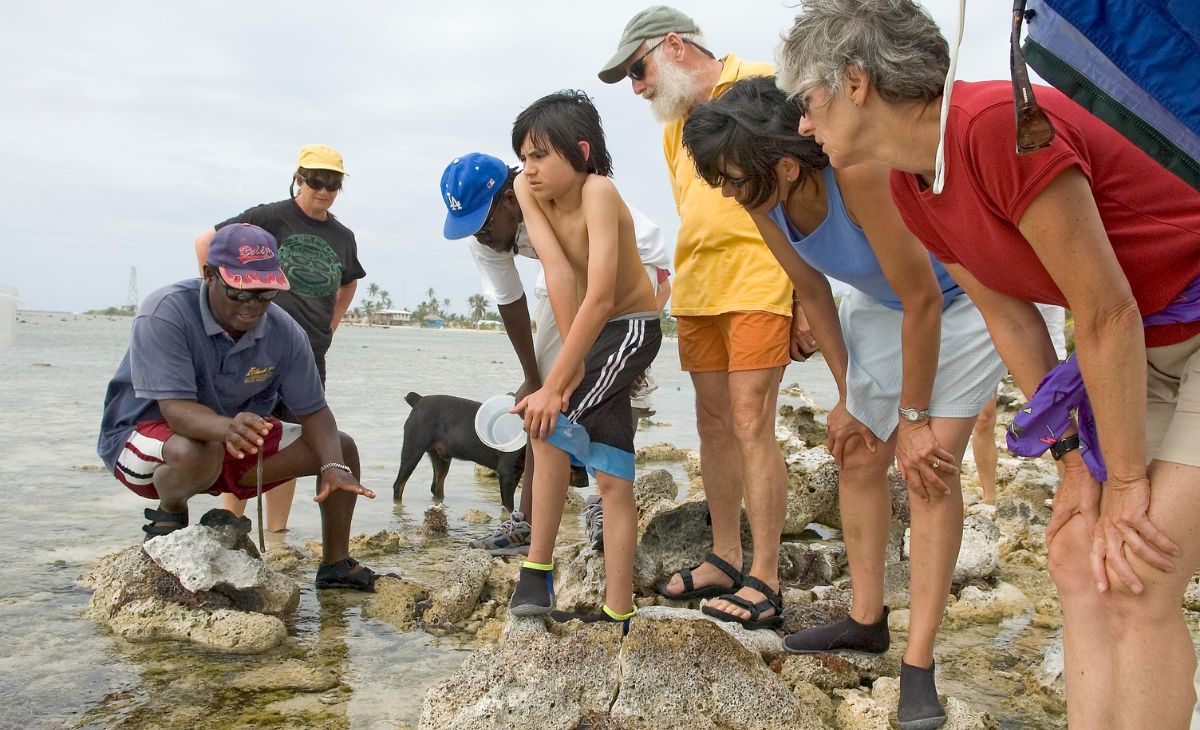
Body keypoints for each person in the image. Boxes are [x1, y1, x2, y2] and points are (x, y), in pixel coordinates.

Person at [778, 2, 1200, 727]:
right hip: (1139, 354)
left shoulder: (996, 124)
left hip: (1172, 327)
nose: (804, 127)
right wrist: (1074, 467)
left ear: (854, 83)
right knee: (1075, 558)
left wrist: (1124, 482)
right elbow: (1013, 320)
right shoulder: (914, 185)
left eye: (807, 103)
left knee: (1138, 573)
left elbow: (1104, 311)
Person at [681, 75, 1004, 726]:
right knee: (857, 453)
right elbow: (816, 292)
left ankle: (919, 664)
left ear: (792, 167)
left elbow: (925, 298)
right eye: (718, 178)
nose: (726, 191)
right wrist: (851, 396)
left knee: (931, 468)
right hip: (885, 307)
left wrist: (911, 417)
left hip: (967, 301)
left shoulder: (858, 178)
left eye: (734, 177)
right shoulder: (762, 201)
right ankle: (865, 619)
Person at [599, 4, 810, 631]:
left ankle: (766, 578)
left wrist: (805, 298)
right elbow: (694, 212)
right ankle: (725, 555)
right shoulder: (674, 125)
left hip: (760, 277)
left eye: (638, 71)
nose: (638, 88)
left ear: (673, 46)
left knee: (752, 419)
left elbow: (801, 191)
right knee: (713, 422)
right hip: (698, 289)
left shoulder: (764, 81)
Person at [98, 223, 380, 590]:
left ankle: (336, 565)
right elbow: (175, 410)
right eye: (239, 292)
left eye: (264, 293)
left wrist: (333, 468)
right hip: (146, 440)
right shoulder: (165, 312)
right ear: (209, 275)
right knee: (197, 446)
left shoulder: (284, 332)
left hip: (227, 442)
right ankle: (170, 513)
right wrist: (226, 428)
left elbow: (315, 413)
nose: (252, 306)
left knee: (340, 448)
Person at [439, 152, 672, 556]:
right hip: (559, 279)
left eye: (482, 224)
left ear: (509, 200)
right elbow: (511, 302)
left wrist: (628, 355)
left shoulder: (552, 192)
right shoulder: (486, 236)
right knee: (542, 400)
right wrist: (534, 377)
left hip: (627, 265)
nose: (480, 236)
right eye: (470, 229)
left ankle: (604, 500)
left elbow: (629, 280)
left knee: (617, 385)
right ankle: (527, 522)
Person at [505, 90, 661, 629]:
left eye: (542, 154)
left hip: (631, 328)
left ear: (582, 151)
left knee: (545, 424)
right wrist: (568, 370)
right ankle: (620, 609)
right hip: (596, 337)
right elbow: (558, 273)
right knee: (614, 475)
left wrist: (559, 387)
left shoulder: (599, 190)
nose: (531, 168)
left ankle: (535, 571)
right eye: (525, 156)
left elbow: (600, 295)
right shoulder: (529, 191)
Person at [194, 144, 365, 534]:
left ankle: (277, 533)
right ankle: (229, 527)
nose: (323, 191)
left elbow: (350, 281)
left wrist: (331, 324)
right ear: (298, 179)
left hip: (307, 354)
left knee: (293, 441)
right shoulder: (268, 217)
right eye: (316, 181)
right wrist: (216, 302)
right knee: (243, 436)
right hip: (255, 349)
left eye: (333, 184)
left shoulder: (342, 236)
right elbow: (206, 241)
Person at [972, 305, 1067, 505]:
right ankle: (989, 496)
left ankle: (1068, 487)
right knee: (983, 418)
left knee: (1056, 413)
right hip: (990, 326)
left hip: (1040, 319)